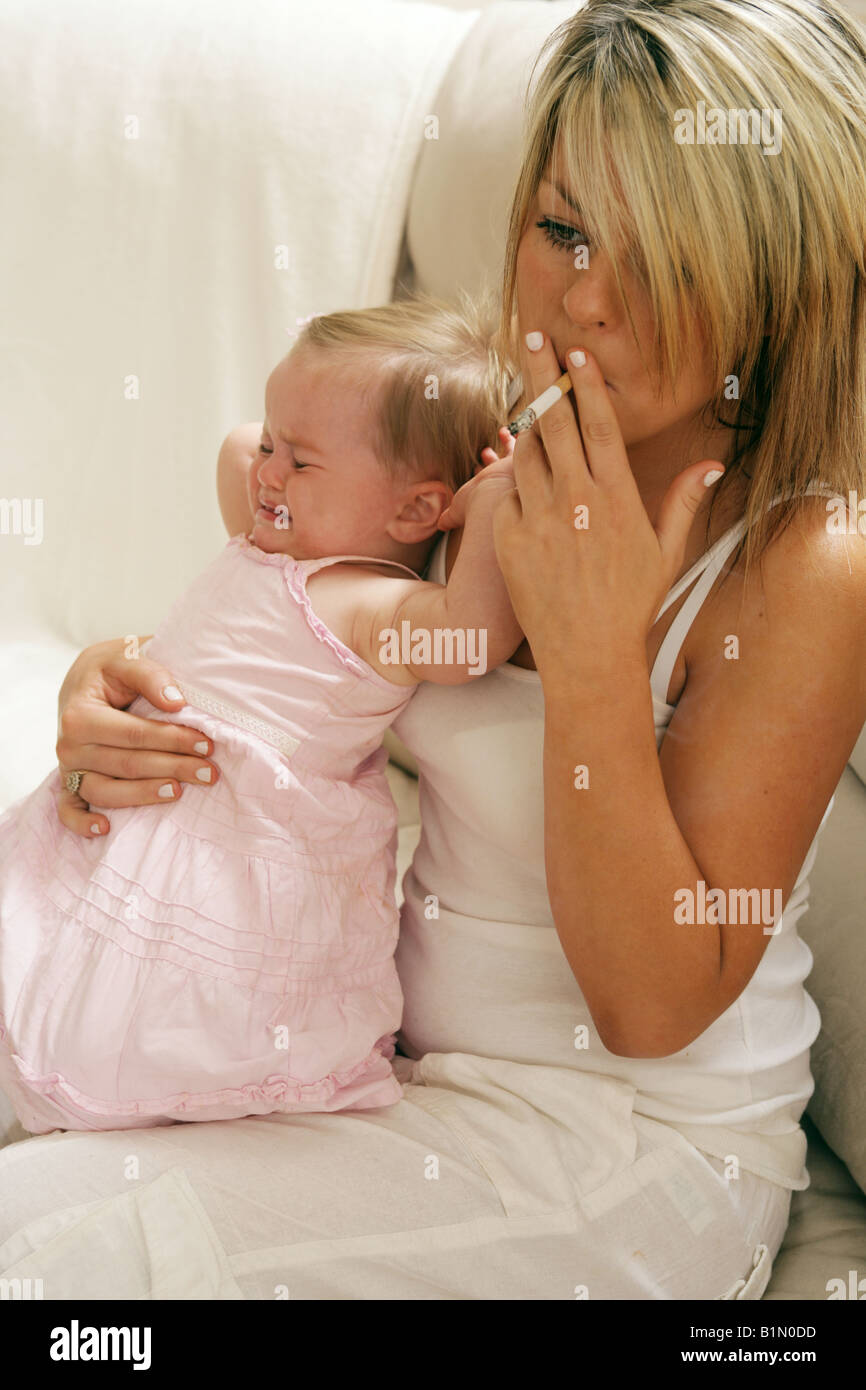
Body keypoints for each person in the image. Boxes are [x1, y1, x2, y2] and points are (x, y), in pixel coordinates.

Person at [1, 0, 865, 1300]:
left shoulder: (804, 554)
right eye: (563, 228)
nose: (582, 299)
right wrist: (115, 689)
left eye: (663, 261)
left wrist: (583, 661)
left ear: (768, 282)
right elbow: (302, 627)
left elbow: (652, 1004)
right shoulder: (485, 428)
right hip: (374, 1063)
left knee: (38, 1244)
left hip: (617, 1154)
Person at [0, 293, 521, 1133]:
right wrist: (293, 446)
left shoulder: (371, 603)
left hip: (221, 861)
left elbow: (473, 637)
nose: (267, 472)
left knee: (119, 1020)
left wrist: (495, 498)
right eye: (275, 445)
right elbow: (235, 448)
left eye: (302, 463)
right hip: (134, 820)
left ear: (420, 511)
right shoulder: (277, 533)